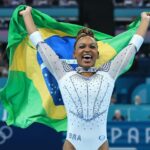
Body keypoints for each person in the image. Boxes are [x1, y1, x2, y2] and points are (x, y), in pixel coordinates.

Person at [19, 6, 150, 150]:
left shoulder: (108, 74)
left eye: (92, 47)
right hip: (72, 144)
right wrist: (27, 15)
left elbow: (132, 48)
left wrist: (145, 20)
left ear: (97, 53)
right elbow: (40, 44)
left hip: (100, 145)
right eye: (82, 47)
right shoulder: (63, 73)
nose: (87, 49)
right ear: (74, 54)